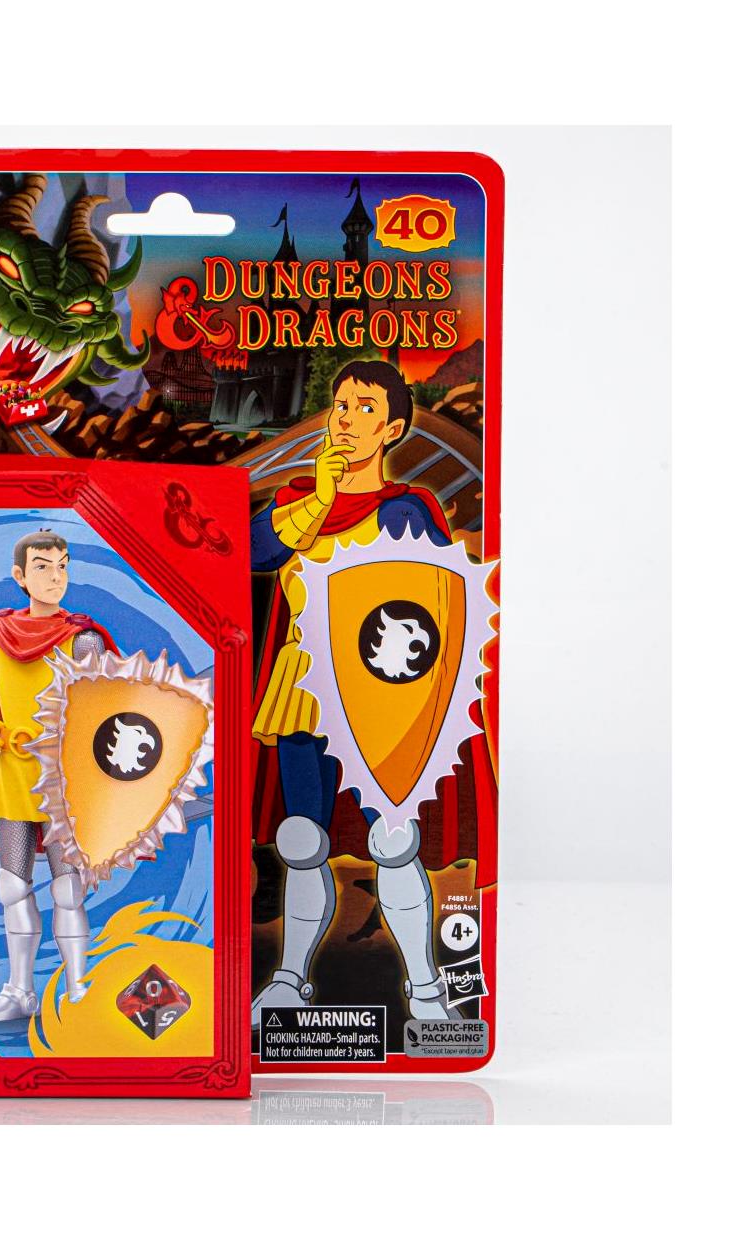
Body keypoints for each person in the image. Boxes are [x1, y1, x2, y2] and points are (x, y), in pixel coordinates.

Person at [249, 359, 491, 1024]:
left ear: (393, 429)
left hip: (380, 693)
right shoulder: (297, 500)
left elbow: (436, 602)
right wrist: (321, 497)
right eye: (340, 405)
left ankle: (427, 991)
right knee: (301, 839)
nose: (347, 419)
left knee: (393, 837)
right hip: (302, 688)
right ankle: (289, 981)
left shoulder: (407, 510)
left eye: (364, 408)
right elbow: (255, 553)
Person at [0, 529, 116, 1022]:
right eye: (43, 566)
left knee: (68, 888)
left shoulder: (81, 637)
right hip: (13, 771)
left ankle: (78, 991)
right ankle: (20, 991)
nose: (55, 577)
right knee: (12, 885)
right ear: (20, 575)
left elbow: (107, 702)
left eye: (62, 566)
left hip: (64, 780)